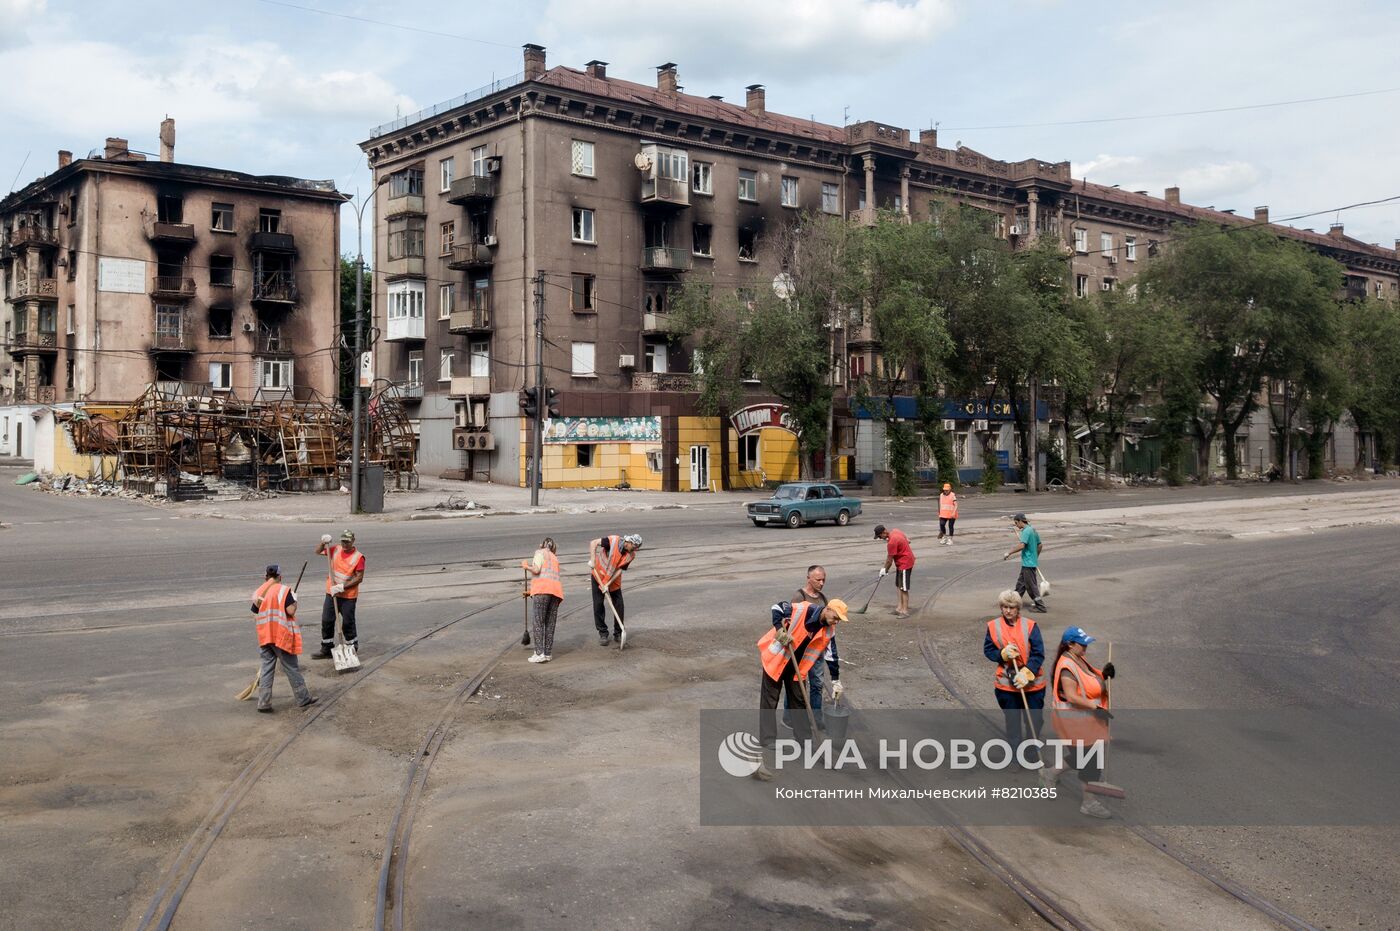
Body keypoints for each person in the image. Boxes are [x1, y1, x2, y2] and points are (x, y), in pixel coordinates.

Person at [756, 597, 850, 769]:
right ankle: (767, 739)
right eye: (836, 617)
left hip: (797, 668)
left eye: (839, 619)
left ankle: (804, 739)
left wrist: (836, 680)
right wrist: (780, 629)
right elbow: (776, 606)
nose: (836, 621)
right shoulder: (802, 609)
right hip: (776, 660)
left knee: (799, 701)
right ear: (827, 609)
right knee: (769, 701)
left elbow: (831, 654)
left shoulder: (829, 629)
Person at [1047, 626, 1116, 819]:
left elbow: (1088, 682)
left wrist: (1104, 675)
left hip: (1086, 720)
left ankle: (1050, 773)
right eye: (1082, 644)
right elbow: (1071, 696)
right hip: (1075, 721)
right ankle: (1089, 802)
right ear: (1070, 644)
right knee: (1091, 761)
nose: (1085, 647)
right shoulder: (1067, 666)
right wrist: (1097, 709)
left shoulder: (1077, 658)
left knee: (1082, 757)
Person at [982, 589, 1045, 766]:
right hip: (1006, 686)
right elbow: (988, 651)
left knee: (1034, 720)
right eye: (1004, 607)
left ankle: (1032, 752)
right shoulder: (993, 626)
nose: (1008, 611)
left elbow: (1038, 654)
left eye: (1011, 607)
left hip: (1033, 685)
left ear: (1018, 608)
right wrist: (1002, 654)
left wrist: (1027, 672)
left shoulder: (1031, 626)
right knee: (1013, 722)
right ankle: (1016, 756)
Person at [250, 565, 316, 713]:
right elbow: (290, 611)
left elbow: (254, 613)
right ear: (280, 577)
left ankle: (263, 703)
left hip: (265, 636)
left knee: (267, 668)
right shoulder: (284, 590)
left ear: (266, 577)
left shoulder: (260, 591)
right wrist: (295, 600)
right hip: (280, 635)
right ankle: (303, 698)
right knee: (291, 666)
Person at [783, 566, 842, 730]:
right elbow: (791, 623)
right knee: (796, 685)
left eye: (824, 579)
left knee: (817, 684)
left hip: (816, 651)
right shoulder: (799, 596)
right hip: (800, 651)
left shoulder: (823, 598)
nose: (822, 583)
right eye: (818, 580)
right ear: (808, 578)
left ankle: (816, 718)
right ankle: (789, 717)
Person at [313, 530, 365, 658]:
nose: (345, 544)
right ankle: (326, 647)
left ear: (353, 541)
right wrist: (323, 542)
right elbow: (318, 551)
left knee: (347, 623)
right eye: (343, 541)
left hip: (348, 596)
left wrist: (342, 587)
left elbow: (359, 578)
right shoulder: (335, 549)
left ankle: (351, 647)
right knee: (327, 620)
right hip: (331, 593)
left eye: (347, 541)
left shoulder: (358, 557)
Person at [589, 533, 642, 645]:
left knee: (619, 605)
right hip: (598, 575)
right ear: (629, 542)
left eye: (636, 548)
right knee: (598, 605)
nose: (634, 550)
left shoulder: (631, 555)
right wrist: (593, 560)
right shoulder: (612, 541)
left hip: (613, 580)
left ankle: (618, 633)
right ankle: (603, 633)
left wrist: (608, 584)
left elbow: (619, 570)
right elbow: (593, 543)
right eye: (633, 547)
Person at [521, 537, 563, 664]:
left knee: (538, 622)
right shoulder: (555, 558)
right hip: (555, 593)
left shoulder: (539, 553)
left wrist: (526, 566)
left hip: (542, 592)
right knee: (550, 624)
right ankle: (548, 653)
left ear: (542, 545)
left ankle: (539, 654)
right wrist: (531, 591)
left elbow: (537, 570)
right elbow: (549, 577)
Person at [1003, 513, 1046, 613]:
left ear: (1020, 521)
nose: (1016, 526)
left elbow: (1022, 545)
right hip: (1030, 562)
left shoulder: (1026, 531)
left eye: (1016, 523)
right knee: (1021, 584)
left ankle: (1040, 606)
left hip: (1028, 563)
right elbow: (1040, 546)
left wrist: (1009, 552)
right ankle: (1014, 603)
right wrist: (1035, 557)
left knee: (1031, 586)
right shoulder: (1033, 530)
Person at [874, 525, 915, 617]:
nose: (881, 538)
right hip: (902, 563)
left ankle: (904, 611)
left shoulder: (892, 542)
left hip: (905, 563)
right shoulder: (896, 531)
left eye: (880, 536)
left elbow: (889, 560)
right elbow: (908, 540)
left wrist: (884, 570)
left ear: (884, 532)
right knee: (898, 585)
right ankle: (899, 608)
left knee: (903, 588)